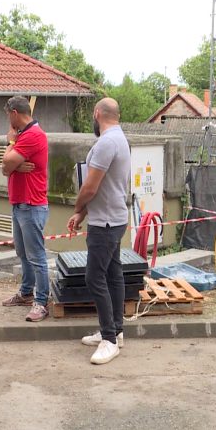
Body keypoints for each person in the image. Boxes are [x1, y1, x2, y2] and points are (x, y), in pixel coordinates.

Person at [67, 98, 131, 365]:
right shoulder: (120, 139)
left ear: (97, 114)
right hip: (114, 218)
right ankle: (116, 331)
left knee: (94, 278)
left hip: (105, 223)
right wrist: (83, 213)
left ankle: (109, 340)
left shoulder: (106, 143)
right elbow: (104, 186)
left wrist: (77, 208)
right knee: (113, 275)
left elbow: (91, 186)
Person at [0, 96, 50, 322]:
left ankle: (41, 301)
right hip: (19, 203)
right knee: (23, 253)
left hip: (31, 204)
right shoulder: (24, 135)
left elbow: (6, 162)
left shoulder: (32, 135)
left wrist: (10, 144)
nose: (8, 121)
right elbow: (5, 168)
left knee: (36, 256)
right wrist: (13, 166)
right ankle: (26, 292)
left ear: (14, 113)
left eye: (7, 115)